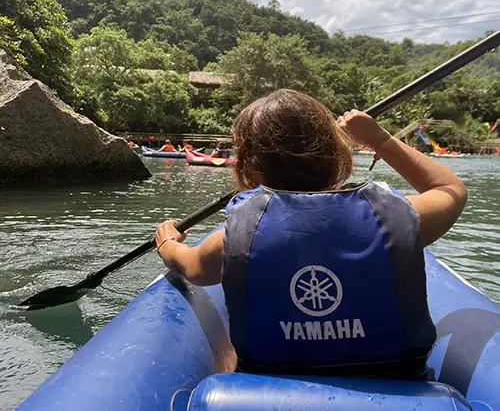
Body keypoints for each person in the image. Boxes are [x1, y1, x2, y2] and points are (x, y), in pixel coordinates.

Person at [155, 89, 467, 378]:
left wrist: (168, 242)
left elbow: (191, 267)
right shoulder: (400, 218)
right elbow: (450, 190)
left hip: (270, 385)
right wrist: (379, 138)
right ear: (337, 152)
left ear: (250, 165)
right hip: (397, 380)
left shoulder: (234, 238)